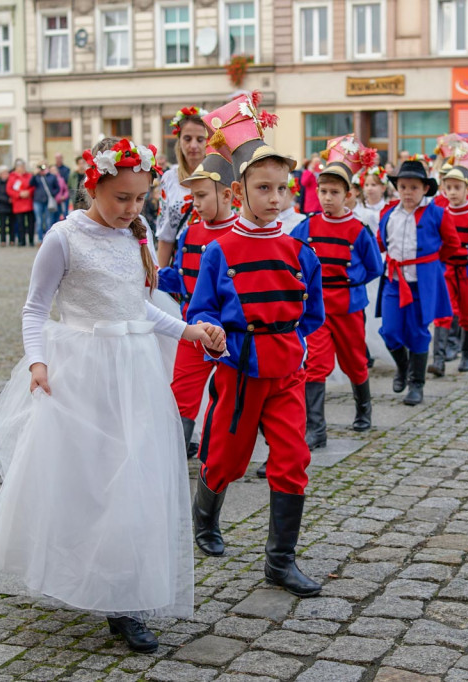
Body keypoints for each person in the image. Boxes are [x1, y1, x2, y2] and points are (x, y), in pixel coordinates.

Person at [0, 137, 224, 653]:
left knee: (133, 475)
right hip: (83, 372)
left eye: (140, 200)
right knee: (89, 479)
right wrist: (39, 361)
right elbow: (34, 308)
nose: (132, 209)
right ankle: (84, 570)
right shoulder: (63, 238)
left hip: (133, 372)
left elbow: (138, 310)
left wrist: (190, 331)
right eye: (121, 198)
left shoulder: (134, 237)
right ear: (94, 186)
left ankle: (124, 599)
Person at [188, 94, 325, 599]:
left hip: (286, 371)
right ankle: (204, 519)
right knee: (225, 458)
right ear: (238, 190)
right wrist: (210, 330)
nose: (274, 198)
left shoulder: (298, 250)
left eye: (282, 190)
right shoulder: (219, 251)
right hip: (239, 371)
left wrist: (302, 347)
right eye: (263, 188)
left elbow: (312, 315)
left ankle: (279, 562)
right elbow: (199, 310)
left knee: (293, 458)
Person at [290, 135, 383, 448]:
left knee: (354, 360)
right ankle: (316, 428)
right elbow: (291, 256)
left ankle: (363, 408)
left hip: (348, 307)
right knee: (315, 363)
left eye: (335, 192)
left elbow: (374, 267)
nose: (328, 198)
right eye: (323, 191)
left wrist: (350, 281)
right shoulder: (307, 226)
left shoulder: (358, 230)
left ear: (349, 194)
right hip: (318, 311)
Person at [156, 148, 238, 460]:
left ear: (228, 195)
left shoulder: (240, 234)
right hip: (192, 329)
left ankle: (219, 456)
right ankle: (174, 459)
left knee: (231, 395)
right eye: (193, 195)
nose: (196, 203)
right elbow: (184, 278)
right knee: (183, 394)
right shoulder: (189, 232)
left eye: (202, 195)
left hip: (228, 332)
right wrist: (158, 278)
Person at [378, 159, 459, 406]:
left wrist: (431, 265)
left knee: (417, 333)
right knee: (390, 331)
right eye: (403, 187)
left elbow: (452, 244)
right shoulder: (389, 213)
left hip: (421, 283)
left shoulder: (437, 213)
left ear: (425, 189)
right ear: (396, 188)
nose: (408, 192)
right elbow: (381, 243)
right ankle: (402, 367)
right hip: (393, 281)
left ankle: (417, 384)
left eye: (414, 187)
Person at [430, 165, 468, 375]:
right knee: (443, 313)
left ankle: (467, 355)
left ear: (467, 189)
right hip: (446, 271)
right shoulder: (439, 214)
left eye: (457, 187)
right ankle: (438, 359)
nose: (453, 192)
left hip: (467, 272)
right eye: (449, 188)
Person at [156, 106, 208, 267]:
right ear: (179, 141)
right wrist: (160, 278)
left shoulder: (221, 176)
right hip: (182, 265)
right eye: (187, 138)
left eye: (200, 139)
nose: (193, 145)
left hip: (215, 263)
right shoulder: (169, 178)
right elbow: (165, 236)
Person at [8, 159, 35, 247]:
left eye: (23, 166)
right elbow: (9, 190)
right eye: (21, 167)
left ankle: (31, 240)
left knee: (30, 223)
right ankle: (21, 240)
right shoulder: (12, 177)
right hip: (18, 203)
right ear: (17, 168)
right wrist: (19, 194)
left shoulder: (29, 176)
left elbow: (33, 186)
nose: (23, 168)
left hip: (28, 202)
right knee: (20, 223)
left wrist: (28, 192)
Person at [0, 165, 12, 246]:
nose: (5, 175)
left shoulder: (10, 181)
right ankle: (3, 240)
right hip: (1, 205)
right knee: (2, 224)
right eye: (4, 173)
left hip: (10, 205)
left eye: (6, 173)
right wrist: (6, 200)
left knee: (11, 224)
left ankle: (12, 240)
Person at [52, 152, 71, 221]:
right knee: (55, 215)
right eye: (57, 158)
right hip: (54, 197)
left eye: (59, 158)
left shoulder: (67, 169)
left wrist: (64, 195)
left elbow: (68, 183)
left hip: (63, 195)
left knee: (64, 214)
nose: (58, 159)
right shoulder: (52, 168)